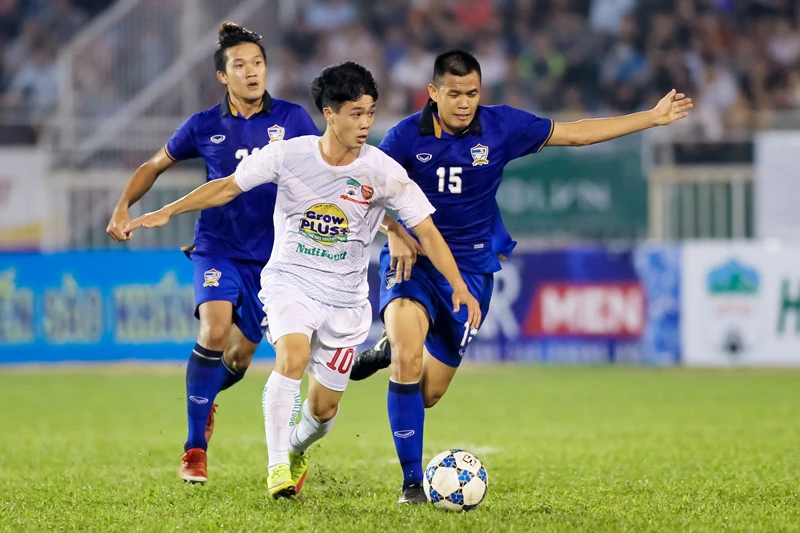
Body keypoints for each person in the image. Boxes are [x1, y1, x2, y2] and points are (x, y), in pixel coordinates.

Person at [122, 61, 482, 500]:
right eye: (356, 113)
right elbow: (227, 186)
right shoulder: (289, 155)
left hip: (346, 301)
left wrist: (459, 286)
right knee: (290, 356)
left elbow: (427, 231)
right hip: (290, 282)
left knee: (324, 412)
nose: (366, 123)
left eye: (370, 113)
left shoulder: (383, 171)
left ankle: (294, 447)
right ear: (329, 113)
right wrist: (169, 210)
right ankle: (277, 469)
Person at [350, 49, 693, 504]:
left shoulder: (501, 126)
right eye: (453, 94)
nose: (464, 102)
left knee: (428, 393)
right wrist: (393, 229)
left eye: (472, 92)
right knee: (409, 364)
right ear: (433, 93)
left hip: (471, 272)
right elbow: (362, 183)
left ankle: (390, 347)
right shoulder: (404, 137)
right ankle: (412, 483)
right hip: (415, 264)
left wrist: (649, 118)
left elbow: (574, 135)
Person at [105, 22, 320, 484]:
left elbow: (325, 169)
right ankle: (194, 449)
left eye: (257, 64)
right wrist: (124, 206)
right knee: (214, 328)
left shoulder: (295, 119)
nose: (251, 73)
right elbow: (153, 165)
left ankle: (205, 398)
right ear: (222, 76)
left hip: (275, 261)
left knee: (240, 358)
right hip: (216, 247)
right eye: (239, 66)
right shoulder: (204, 126)